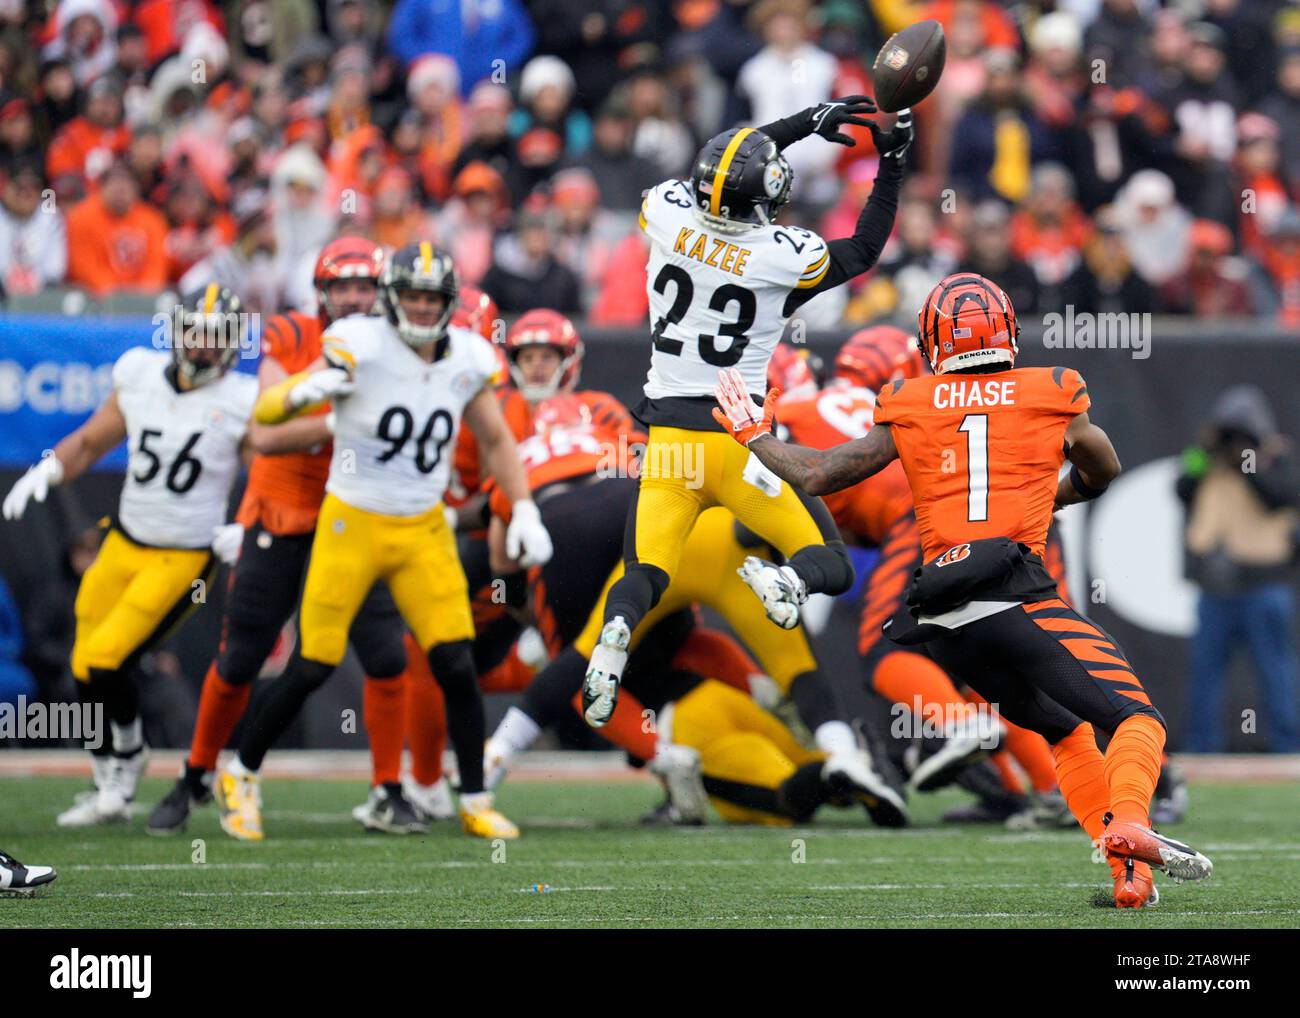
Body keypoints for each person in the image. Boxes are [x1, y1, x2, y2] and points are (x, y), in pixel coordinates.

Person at [718, 272, 1215, 908]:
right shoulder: (1053, 389)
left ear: (932, 341)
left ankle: (1130, 880)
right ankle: (1130, 822)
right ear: (1007, 330)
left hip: (943, 617)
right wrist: (1052, 497)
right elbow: (1103, 467)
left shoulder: (910, 400)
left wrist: (754, 436)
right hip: (1016, 598)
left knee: (1065, 732)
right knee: (1136, 718)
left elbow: (819, 474)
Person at [583, 93, 912, 813]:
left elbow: (727, 153)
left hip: (666, 440)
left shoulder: (664, 213)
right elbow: (862, 251)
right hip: (739, 440)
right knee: (823, 559)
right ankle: (786, 584)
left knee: (644, 574)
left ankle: (614, 638)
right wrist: (889, 165)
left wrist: (801, 123)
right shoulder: (775, 255)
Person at [221, 242, 552, 841]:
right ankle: (240, 774)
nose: (424, 310)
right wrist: (295, 393)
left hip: (423, 526)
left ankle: (473, 797)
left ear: (449, 304)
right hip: (354, 522)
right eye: (414, 297)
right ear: (393, 298)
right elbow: (267, 417)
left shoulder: (468, 359)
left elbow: (499, 441)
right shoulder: (360, 344)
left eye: (434, 299)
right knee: (312, 664)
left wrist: (523, 504)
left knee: (453, 661)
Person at [147, 237, 419, 839]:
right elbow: (267, 433)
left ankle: (387, 788)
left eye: (363, 286)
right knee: (242, 657)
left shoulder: (396, 348)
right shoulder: (292, 334)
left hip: (356, 517)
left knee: (386, 656)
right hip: (281, 513)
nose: (353, 297)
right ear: (320, 293)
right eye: (342, 286)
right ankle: (195, 777)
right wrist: (340, 416)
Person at [2, 285, 257, 826]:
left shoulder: (242, 399)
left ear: (233, 342)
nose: (206, 345)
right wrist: (46, 469)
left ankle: (126, 760)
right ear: (177, 332)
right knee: (81, 663)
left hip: (184, 556)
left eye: (218, 335)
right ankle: (115, 767)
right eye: (197, 331)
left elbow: (267, 473)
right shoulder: (139, 373)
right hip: (125, 540)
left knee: (106, 658)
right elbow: (92, 441)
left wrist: (249, 524)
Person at [1177, 385, 1299, 752]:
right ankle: (1200, 747)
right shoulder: (1206, 461)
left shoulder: (1276, 458)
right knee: (1205, 674)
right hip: (1216, 588)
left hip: (1264, 585)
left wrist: (1247, 458)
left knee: (1275, 671)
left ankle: (1289, 747)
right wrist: (1207, 449)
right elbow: (1182, 488)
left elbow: (1277, 497)